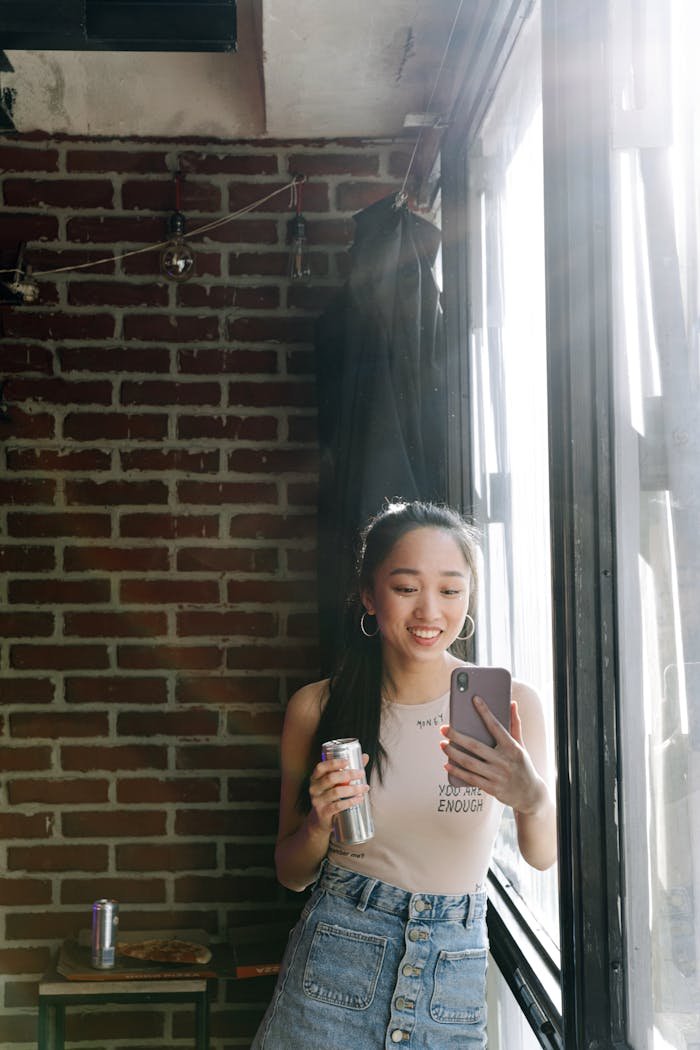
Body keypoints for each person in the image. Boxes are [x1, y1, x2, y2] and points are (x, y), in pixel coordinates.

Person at [251, 500, 557, 1049]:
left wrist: (531, 798)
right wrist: (320, 824)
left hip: (453, 975)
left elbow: (541, 855)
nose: (429, 613)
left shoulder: (512, 704)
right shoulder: (317, 709)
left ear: (467, 599)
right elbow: (290, 873)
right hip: (335, 965)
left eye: (449, 589)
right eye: (406, 587)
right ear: (369, 594)